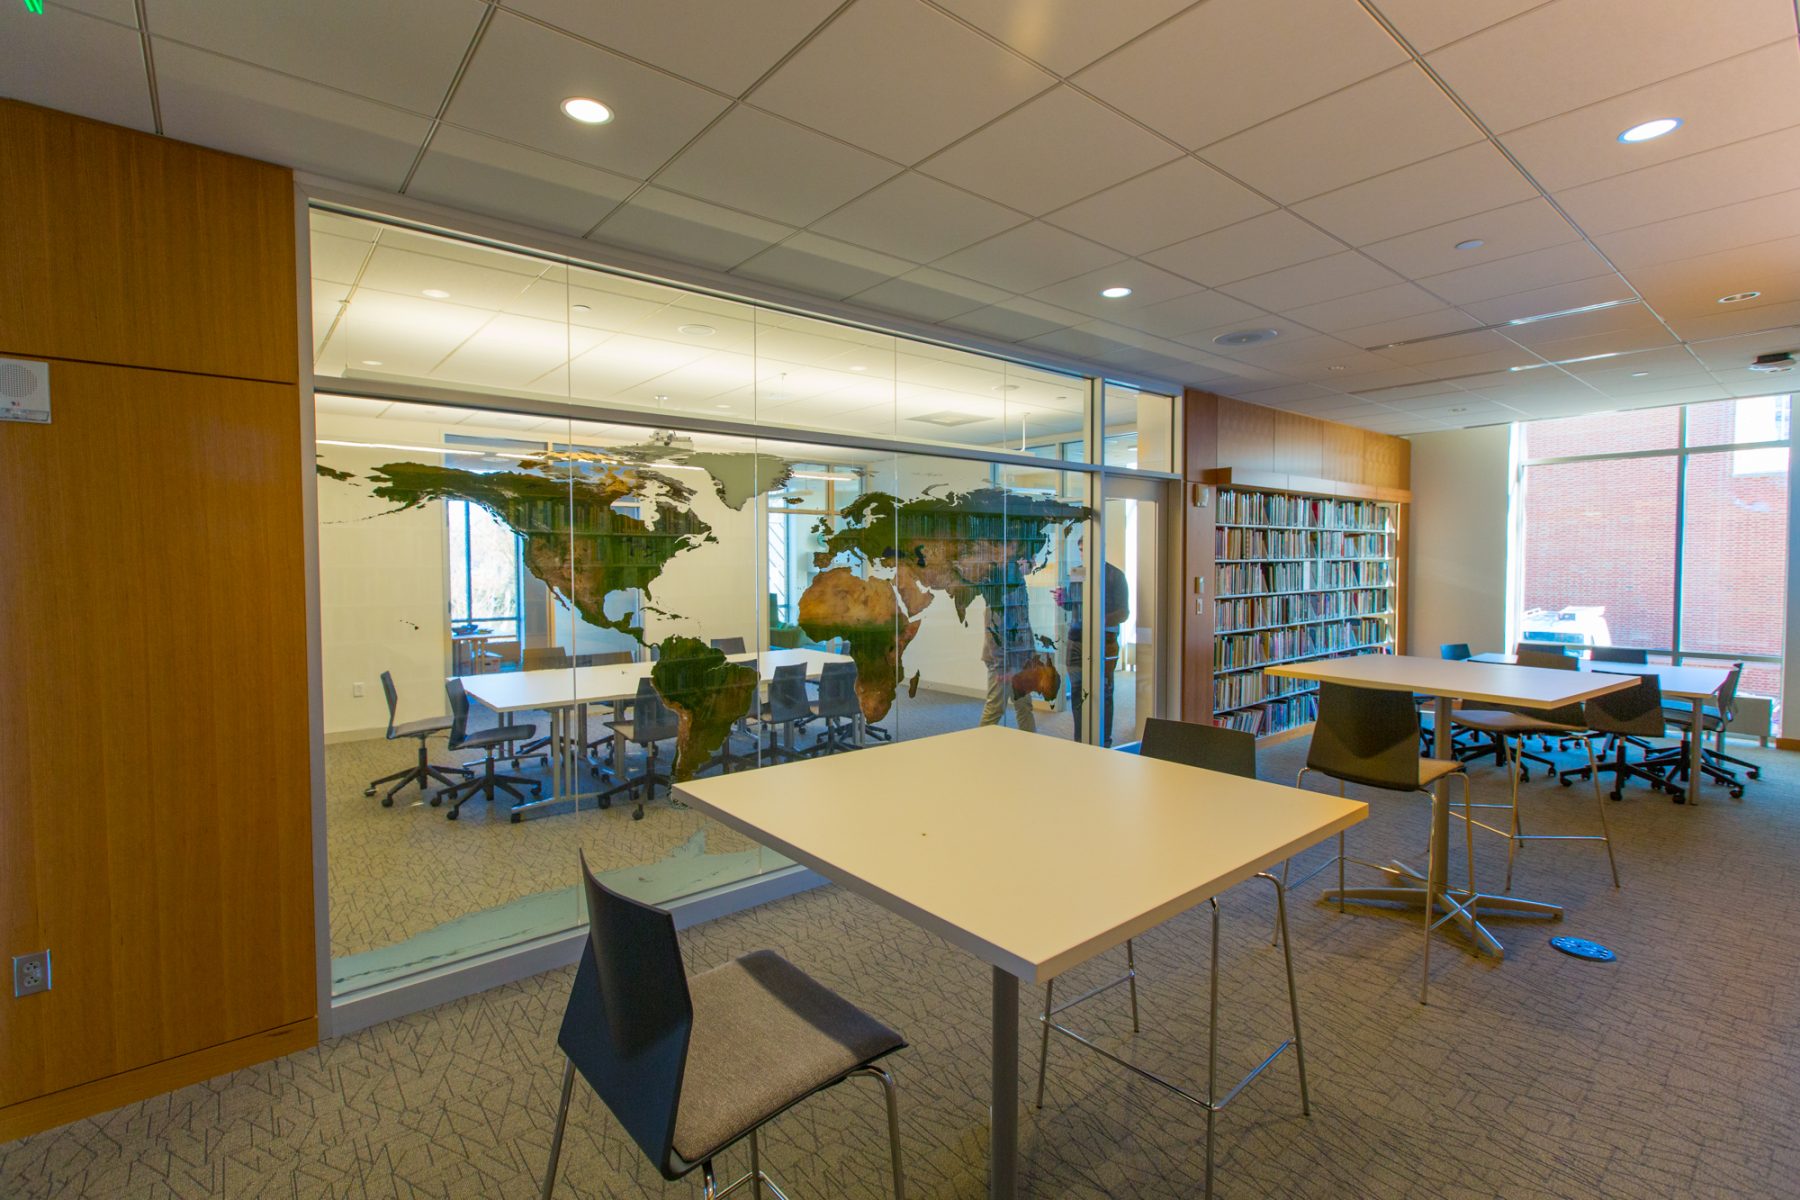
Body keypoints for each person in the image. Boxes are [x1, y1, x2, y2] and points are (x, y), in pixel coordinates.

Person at [1058, 539, 1130, 746]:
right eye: (1080, 550)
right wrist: (1064, 601)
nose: (1083, 554)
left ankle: (1103, 741)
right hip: (1076, 639)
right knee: (1078, 689)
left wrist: (1098, 619)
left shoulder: (1116, 576)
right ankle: (1080, 739)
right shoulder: (1077, 573)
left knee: (1104, 692)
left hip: (1104, 641)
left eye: (1086, 550)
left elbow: (1124, 613)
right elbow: (1073, 607)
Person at [978, 564, 1037, 732]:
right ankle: (979, 750)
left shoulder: (1019, 584)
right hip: (1002, 661)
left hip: (1019, 658)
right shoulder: (1001, 585)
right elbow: (992, 629)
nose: (1034, 563)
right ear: (1019, 560)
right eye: (1031, 559)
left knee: (1024, 706)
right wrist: (1003, 665)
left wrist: (1030, 654)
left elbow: (1024, 623)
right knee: (995, 709)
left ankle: (1030, 746)